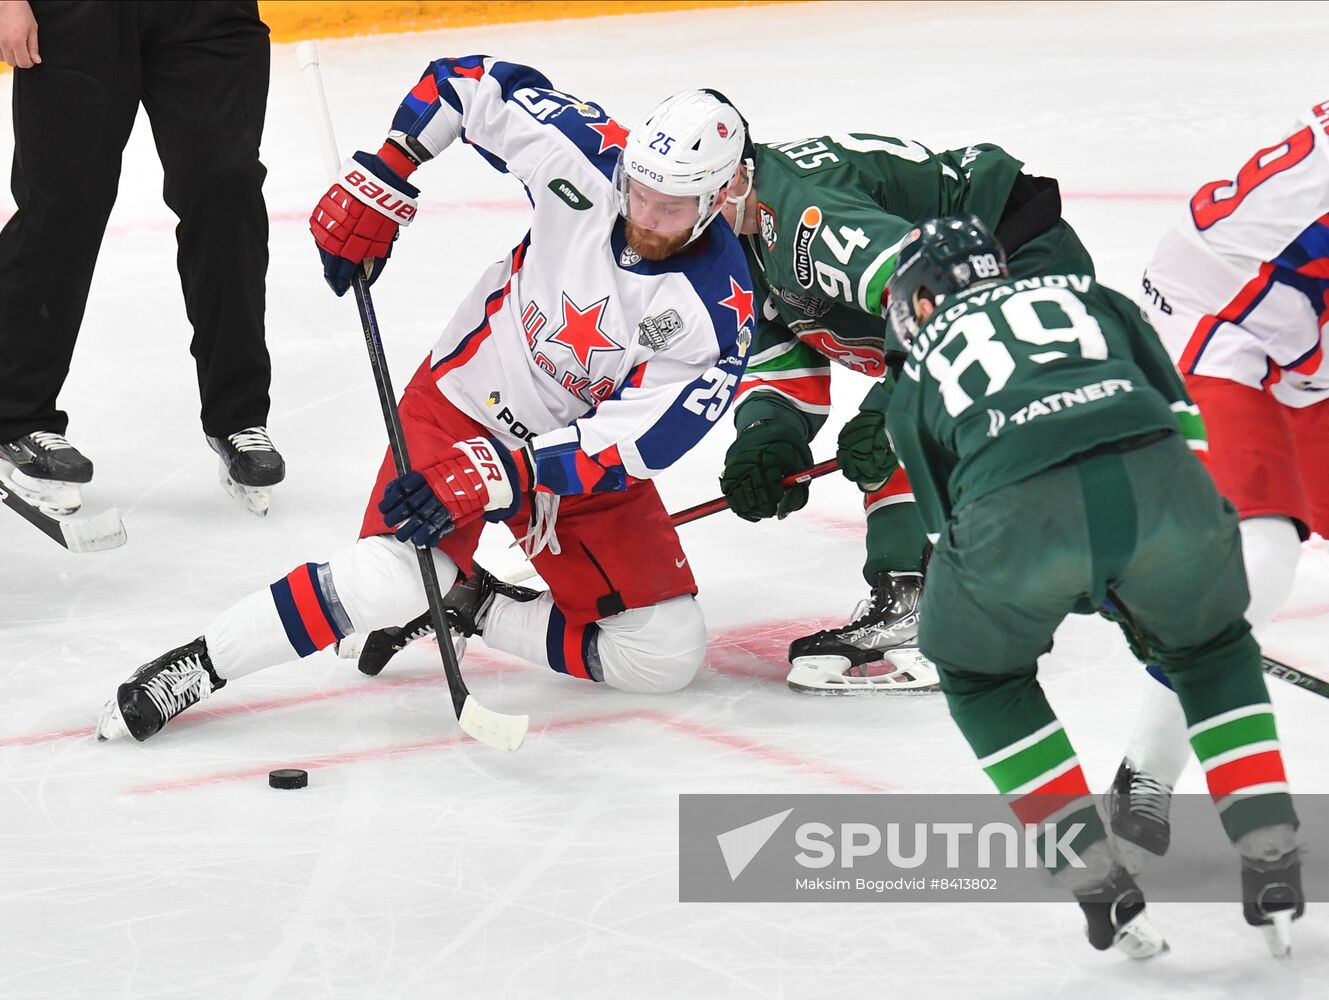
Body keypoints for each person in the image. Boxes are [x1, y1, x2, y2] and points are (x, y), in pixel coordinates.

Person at [95, 57, 755, 741]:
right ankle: (200, 665)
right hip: (465, 402)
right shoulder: (587, 156)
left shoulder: (716, 310)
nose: (643, 213)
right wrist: (387, 168)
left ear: (719, 195)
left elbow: (638, 442)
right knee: (393, 581)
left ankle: (469, 603)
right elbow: (464, 83)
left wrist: (507, 474)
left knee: (664, 652)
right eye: (638, 190)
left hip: (566, 457)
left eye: (670, 207)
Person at [883, 214, 1303, 957]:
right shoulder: (1092, 294)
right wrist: (1141, 579)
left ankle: (1093, 875)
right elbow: (1184, 430)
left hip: (1015, 521)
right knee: (1208, 651)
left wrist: (1085, 579)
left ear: (919, 302)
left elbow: (953, 530)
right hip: (1166, 492)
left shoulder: (913, 380)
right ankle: (1270, 849)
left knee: (982, 678)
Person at [712, 128, 1095, 693]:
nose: (659, 224)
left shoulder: (803, 217)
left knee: (899, 421)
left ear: (733, 181)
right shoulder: (737, 244)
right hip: (953, 295)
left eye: (676, 205)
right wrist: (767, 439)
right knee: (893, 421)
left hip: (1017, 264)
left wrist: (896, 407)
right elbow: (781, 364)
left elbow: (943, 281)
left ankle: (923, 606)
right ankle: (923, 593)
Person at [1107, 99, 1329, 855]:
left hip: (1297, 339)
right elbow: (1234, 269)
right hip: (1215, 325)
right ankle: (1149, 765)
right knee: (1260, 553)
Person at [0, 1, 283, 519]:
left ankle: (238, 417)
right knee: (65, 202)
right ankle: (15, 418)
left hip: (208, 17)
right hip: (78, 14)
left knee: (227, 189)